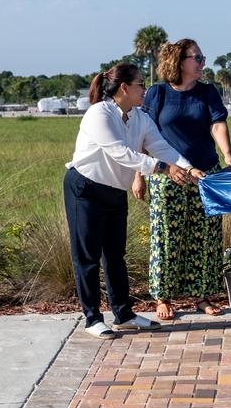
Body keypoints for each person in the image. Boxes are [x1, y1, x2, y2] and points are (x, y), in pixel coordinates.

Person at [65, 63, 201, 338]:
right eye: (141, 84)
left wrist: (187, 167)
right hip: (86, 189)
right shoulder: (98, 114)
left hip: (115, 191)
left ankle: (124, 314)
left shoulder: (139, 116)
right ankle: (92, 319)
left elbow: (161, 146)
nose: (145, 90)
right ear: (124, 88)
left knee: (116, 256)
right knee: (88, 257)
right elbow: (121, 153)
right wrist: (163, 169)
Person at [133, 39, 231, 320]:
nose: (203, 63)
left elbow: (217, 123)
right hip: (168, 176)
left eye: (203, 57)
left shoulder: (207, 93)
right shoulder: (158, 93)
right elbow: (144, 136)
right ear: (179, 62)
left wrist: (228, 156)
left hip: (205, 175)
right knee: (167, 236)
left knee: (205, 238)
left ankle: (202, 298)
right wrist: (139, 176)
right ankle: (163, 298)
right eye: (197, 58)